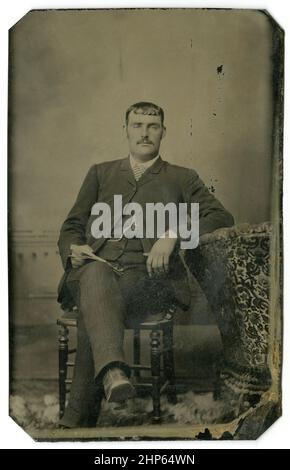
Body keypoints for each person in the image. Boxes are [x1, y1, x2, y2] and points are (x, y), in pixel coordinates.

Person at [57, 101, 234, 428]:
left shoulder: (182, 177)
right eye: (137, 125)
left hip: (147, 282)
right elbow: (72, 226)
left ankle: (77, 420)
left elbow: (220, 217)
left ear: (163, 132)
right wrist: (74, 248)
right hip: (96, 267)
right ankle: (112, 371)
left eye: (152, 127)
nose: (144, 133)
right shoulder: (101, 173)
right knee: (96, 274)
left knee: (92, 306)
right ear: (125, 130)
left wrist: (173, 234)